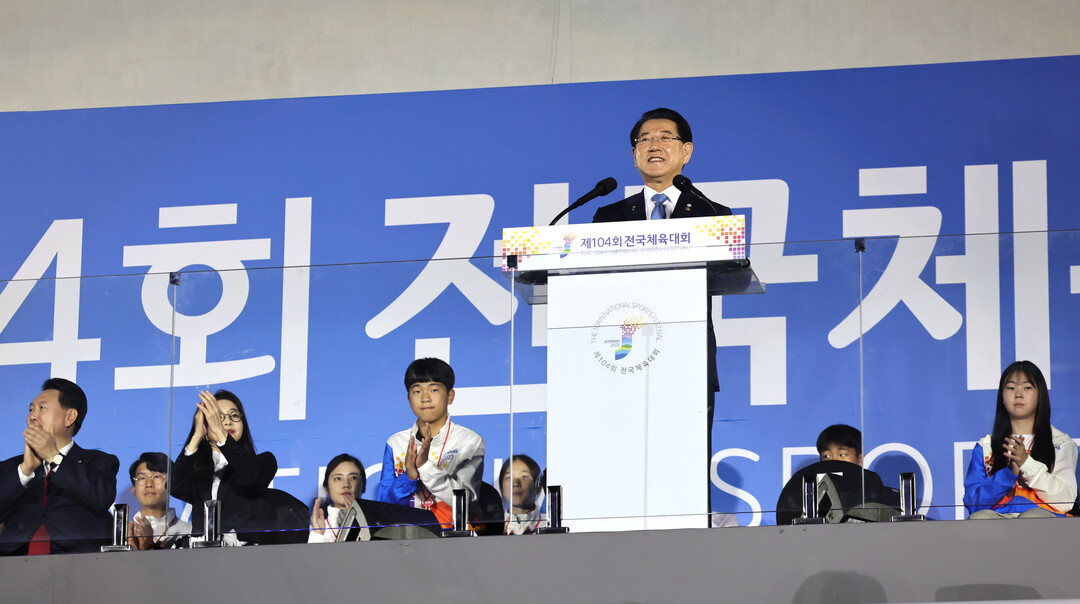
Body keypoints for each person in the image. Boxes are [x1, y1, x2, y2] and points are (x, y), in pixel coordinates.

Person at [592, 107, 733, 507]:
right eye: (644, 139)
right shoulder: (608, 216)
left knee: (685, 468)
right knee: (624, 465)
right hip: (623, 357)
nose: (653, 145)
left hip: (687, 358)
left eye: (665, 138)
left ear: (686, 151)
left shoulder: (712, 214)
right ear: (634, 154)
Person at [0, 378, 119, 555]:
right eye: (31, 409)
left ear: (69, 417)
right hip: (15, 561)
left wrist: (54, 458)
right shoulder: (12, 467)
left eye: (42, 408)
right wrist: (25, 471)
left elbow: (101, 497)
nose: (33, 416)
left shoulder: (98, 461)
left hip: (78, 560)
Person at [376, 358, 484, 527]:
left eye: (434, 389)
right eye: (417, 391)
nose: (425, 398)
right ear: (409, 399)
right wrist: (409, 478)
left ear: (450, 396)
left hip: (451, 537)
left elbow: (465, 501)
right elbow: (383, 508)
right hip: (404, 537)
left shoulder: (468, 441)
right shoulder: (396, 443)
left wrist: (425, 466)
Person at [964, 360, 1077, 519]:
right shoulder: (986, 447)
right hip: (1000, 520)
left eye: (1027, 387)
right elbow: (972, 503)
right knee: (979, 519)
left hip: (1045, 520)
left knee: (1031, 518)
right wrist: (1009, 473)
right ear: (1002, 397)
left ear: (1040, 395)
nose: (1018, 394)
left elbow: (1066, 501)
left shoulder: (1060, 443)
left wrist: (1026, 463)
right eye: (1011, 388)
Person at [170, 389, 277, 545]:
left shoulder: (263, 461)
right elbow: (175, 488)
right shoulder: (196, 469)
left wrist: (221, 432)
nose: (227, 422)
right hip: (201, 553)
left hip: (244, 553)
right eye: (218, 417)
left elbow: (250, 479)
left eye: (234, 415)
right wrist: (196, 437)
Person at [127, 452, 192, 550]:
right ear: (134, 490)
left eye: (157, 477)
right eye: (142, 478)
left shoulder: (188, 531)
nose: (149, 484)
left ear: (172, 485)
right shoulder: (123, 534)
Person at [309, 453, 365, 543]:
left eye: (353, 478)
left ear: (363, 486)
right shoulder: (319, 530)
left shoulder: (375, 526)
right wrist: (318, 535)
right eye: (338, 478)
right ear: (327, 488)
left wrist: (357, 522)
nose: (346, 485)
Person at [498, 454, 546, 535]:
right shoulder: (493, 529)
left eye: (524, 477)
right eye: (509, 477)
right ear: (502, 487)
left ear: (538, 486)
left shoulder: (548, 525)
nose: (515, 484)